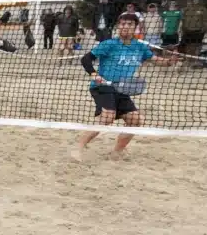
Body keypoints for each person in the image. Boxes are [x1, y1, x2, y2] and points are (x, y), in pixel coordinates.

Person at [72, 12, 173, 161]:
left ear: (136, 27)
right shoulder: (109, 44)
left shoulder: (140, 47)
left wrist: (169, 61)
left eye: (129, 24)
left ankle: (117, 151)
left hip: (123, 88)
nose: (125, 26)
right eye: (123, 24)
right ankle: (78, 147)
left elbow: (155, 59)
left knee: (135, 120)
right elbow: (86, 59)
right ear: (118, 26)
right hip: (103, 86)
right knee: (107, 118)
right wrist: (94, 74)